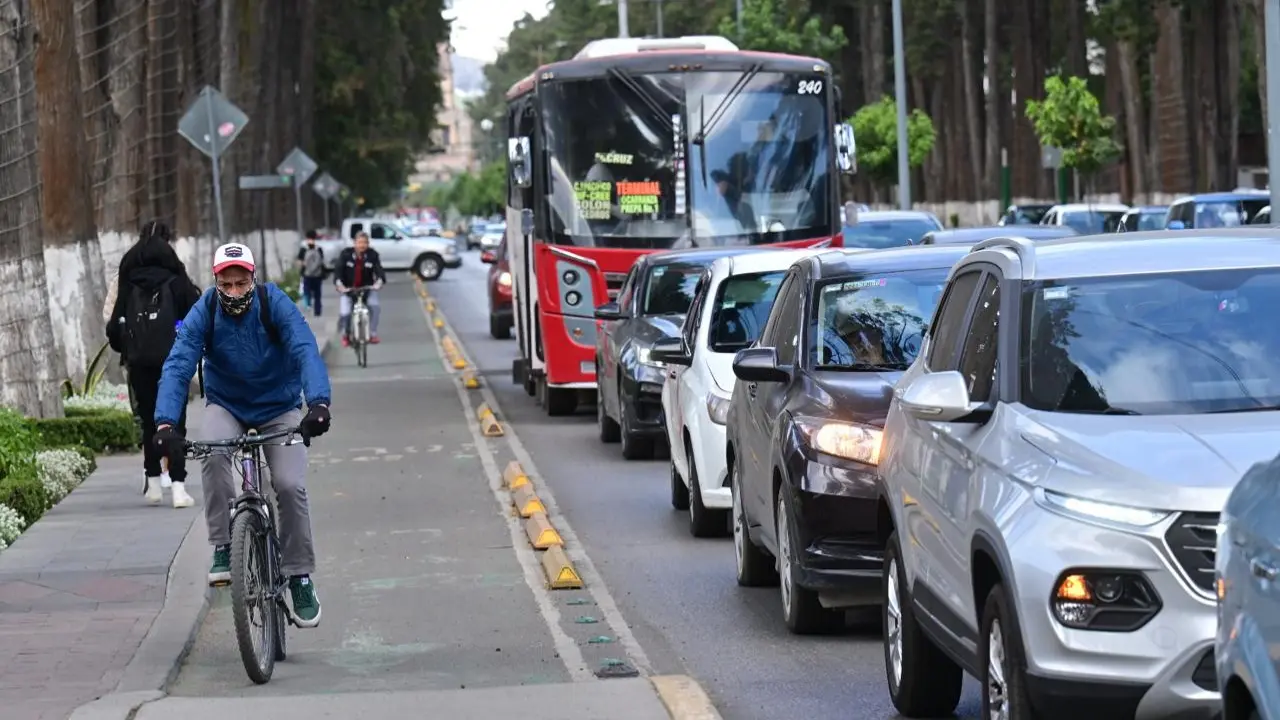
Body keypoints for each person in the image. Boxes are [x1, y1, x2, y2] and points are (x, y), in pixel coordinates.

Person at [151, 242, 333, 628]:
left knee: (287, 483)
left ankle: (299, 575)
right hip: (228, 404)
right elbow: (179, 363)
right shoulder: (205, 311)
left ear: (253, 277)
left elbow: (304, 349)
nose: (234, 291)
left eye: (241, 281)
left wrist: (318, 403)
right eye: (226, 283)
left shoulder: (274, 303)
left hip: (279, 406)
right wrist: (166, 424)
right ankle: (222, 544)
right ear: (216, 280)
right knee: (213, 454)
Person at [105, 219, 203, 508]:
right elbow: (194, 318)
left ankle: (153, 483)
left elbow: (114, 328)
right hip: (173, 361)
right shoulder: (176, 280)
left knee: (149, 421)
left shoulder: (129, 279)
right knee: (175, 422)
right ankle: (179, 487)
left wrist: (129, 350)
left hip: (139, 364)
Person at [334, 231, 386, 345]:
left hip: (367, 288)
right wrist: (340, 285)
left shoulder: (373, 255)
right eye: (360, 242)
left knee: (375, 307)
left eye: (365, 243)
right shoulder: (345, 254)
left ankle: (372, 333)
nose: (362, 245)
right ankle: (346, 335)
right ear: (354, 243)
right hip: (348, 289)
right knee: (345, 313)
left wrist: (379, 282)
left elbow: (379, 270)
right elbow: (338, 271)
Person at [297, 230, 326, 316]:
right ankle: (309, 305)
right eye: (310, 239)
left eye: (312, 239)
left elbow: (322, 260)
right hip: (308, 275)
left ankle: (317, 310)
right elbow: (299, 260)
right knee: (307, 292)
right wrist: (303, 264)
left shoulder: (318, 248)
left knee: (317, 294)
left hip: (316, 275)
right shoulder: (304, 249)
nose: (311, 241)